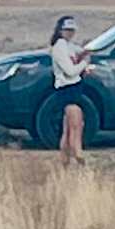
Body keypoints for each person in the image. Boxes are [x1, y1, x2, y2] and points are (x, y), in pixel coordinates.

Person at [44, 15, 92, 159]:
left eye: (72, 30)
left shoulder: (69, 46)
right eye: (67, 30)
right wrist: (84, 63)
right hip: (67, 89)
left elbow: (81, 52)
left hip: (75, 87)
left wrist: (85, 53)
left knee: (68, 128)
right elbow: (70, 71)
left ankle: (65, 161)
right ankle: (78, 153)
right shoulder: (59, 47)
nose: (70, 33)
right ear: (60, 30)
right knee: (76, 124)